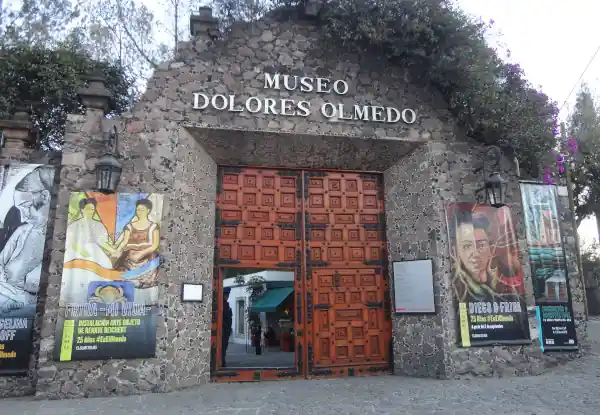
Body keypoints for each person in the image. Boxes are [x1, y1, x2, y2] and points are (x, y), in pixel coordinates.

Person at [0, 166, 53, 314]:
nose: (23, 217)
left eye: (26, 207)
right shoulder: (22, 231)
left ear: (45, 196)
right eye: (20, 209)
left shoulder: (58, 237)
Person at [451, 209, 522, 303]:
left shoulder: (506, 291)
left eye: (481, 245)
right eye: (467, 246)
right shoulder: (456, 293)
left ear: (490, 248)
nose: (475, 253)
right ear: (456, 252)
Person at [112, 198, 160, 288]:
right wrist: (118, 250)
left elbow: (155, 245)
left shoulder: (154, 226)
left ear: (148, 211)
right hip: (130, 255)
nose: (139, 212)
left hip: (148, 254)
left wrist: (141, 253)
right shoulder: (129, 226)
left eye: (142, 210)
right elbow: (124, 241)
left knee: (153, 261)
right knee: (121, 271)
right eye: (138, 210)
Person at [64, 198, 115, 269]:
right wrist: (82, 252)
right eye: (88, 209)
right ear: (82, 210)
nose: (91, 211)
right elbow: (70, 243)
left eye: (92, 209)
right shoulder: (73, 225)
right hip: (76, 251)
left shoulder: (99, 225)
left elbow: (102, 242)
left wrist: (113, 251)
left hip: (95, 251)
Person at [222, 288, 233, 367]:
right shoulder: (223, 304)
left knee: (224, 346)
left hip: (227, 329)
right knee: (223, 346)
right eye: (226, 295)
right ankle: (222, 361)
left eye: (228, 295)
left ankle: (222, 361)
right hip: (224, 329)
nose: (227, 296)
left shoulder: (226, 303)